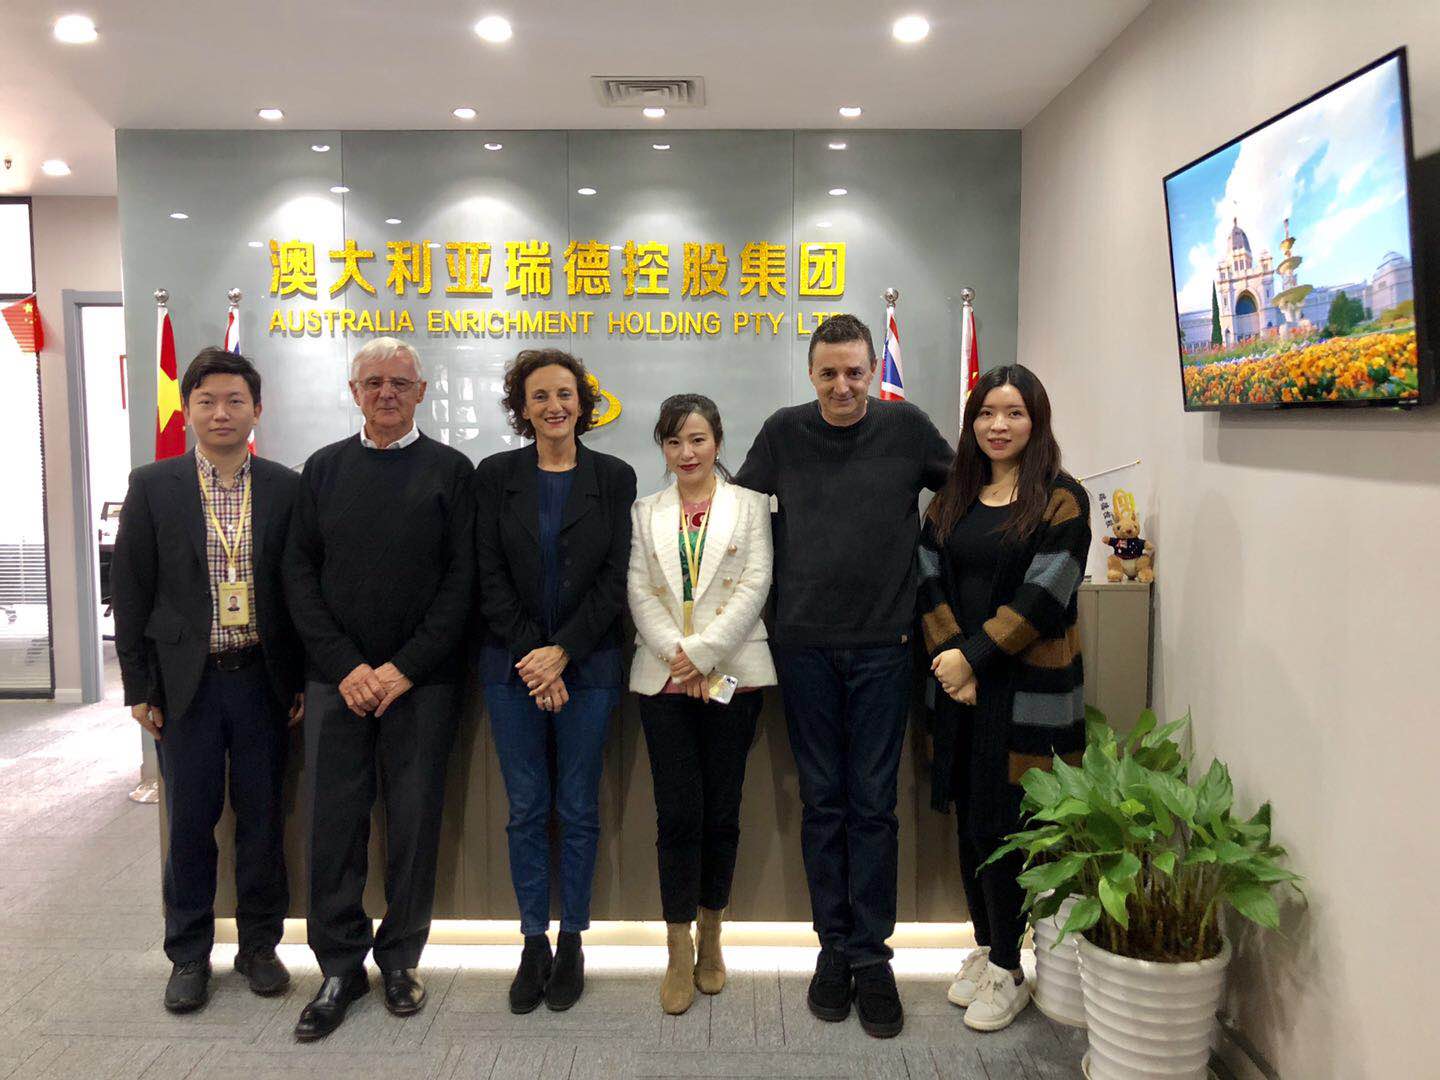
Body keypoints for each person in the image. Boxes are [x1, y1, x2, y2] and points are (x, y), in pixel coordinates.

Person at [734, 314, 953, 1039]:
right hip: (802, 647)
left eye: (855, 371)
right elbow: (738, 515)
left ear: (873, 370)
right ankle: (833, 950)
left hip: (886, 646)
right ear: (810, 373)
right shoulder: (782, 433)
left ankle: (872, 957)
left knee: (874, 807)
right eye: (828, 373)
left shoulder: (907, 428)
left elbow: (966, 491)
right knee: (823, 804)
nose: (842, 385)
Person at [282, 337, 474, 1040]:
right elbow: (298, 575)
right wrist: (347, 667)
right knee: (334, 826)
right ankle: (339, 967)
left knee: (414, 826)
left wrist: (403, 668)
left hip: (421, 684)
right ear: (354, 392)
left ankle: (400, 960)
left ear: (421, 391)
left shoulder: (452, 471)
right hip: (338, 684)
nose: (386, 393)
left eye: (399, 382)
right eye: (373, 382)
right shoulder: (322, 470)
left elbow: (462, 583)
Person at [112, 348, 303, 1014]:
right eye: (207, 401)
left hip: (261, 681)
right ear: (188, 410)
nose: (221, 413)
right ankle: (189, 954)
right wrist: (138, 686)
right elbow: (131, 589)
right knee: (191, 824)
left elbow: (297, 589)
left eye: (234, 401)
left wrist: (298, 677)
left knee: (262, 820)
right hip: (184, 685)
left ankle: (259, 947)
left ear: (257, 410)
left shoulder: (284, 486)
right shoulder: (153, 485)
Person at [916, 364, 1090, 1032]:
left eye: (1013, 412)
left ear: (1035, 421)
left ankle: (1010, 968)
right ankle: (988, 946)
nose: (998, 425)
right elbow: (926, 577)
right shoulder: (952, 497)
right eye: (987, 413)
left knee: (1009, 829)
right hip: (960, 691)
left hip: (1024, 692)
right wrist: (950, 658)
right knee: (970, 822)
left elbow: (1044, 597)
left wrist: (972, 658)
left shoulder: (1061, 500)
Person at [473, 349, 636, 1015]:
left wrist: (562, 652)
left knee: (576, 807)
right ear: (522, 407)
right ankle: (532, 940)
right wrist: (535, 658)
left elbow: (614, 578)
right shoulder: (494, 476)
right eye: (539, 396)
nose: (553, 406)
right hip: (511, 669)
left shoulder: (614, 477)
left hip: (588, 667)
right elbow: (488, 575)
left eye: (564, 394)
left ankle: (573, 940)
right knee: (526, 810)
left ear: (583, 402)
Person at [627, 394, 776, 1015]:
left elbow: (756, 582)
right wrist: (679, 657)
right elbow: (639, 589)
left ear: (717, 441)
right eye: (673, 442)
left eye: (697, 440)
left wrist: (705, 654)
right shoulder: (646, 511)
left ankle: (712, 936)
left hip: (733, 672)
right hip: (663, 679)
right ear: (662, 449)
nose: (686, 453)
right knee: (677, 814)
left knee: (722, 811)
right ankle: (676, 946)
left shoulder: (750, 505)